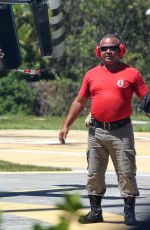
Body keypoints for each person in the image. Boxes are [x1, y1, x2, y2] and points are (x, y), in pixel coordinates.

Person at [59, 34, 150, 226]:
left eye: (113, 48)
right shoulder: (91, 74)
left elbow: (146, 98)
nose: (108, 51)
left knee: (126, 172)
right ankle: (95, 212)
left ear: (121, 50)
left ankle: (129, 213)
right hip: (96, 132)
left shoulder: (132, 73)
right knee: (94, 173)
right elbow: (79, 101)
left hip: (122, 131)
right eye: (105, 48)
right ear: (98, 51)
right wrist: (66, 125)